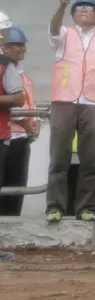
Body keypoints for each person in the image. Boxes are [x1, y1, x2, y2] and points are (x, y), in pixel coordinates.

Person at [47, 0, 95, 223]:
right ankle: (55, 206)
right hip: (64, 101)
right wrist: (61, 7)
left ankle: (86, 207)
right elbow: (54, 28)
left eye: (89, 7)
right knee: (59, 156)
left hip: (92, 102)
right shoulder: (65, 34)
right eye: (79, 8)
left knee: (90, 159)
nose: (83, 10)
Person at [1, 27, 38, 216]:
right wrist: (26, 124)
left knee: (17, 188)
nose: (22, 50)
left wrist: (35, 121)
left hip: (21, 138)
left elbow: (29, 103)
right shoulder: (6, 70)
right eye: (17, 46)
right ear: (5, 48)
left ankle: (11, 227)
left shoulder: (24, 76)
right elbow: (14, 105)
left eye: (23, 46)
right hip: (8, 136)